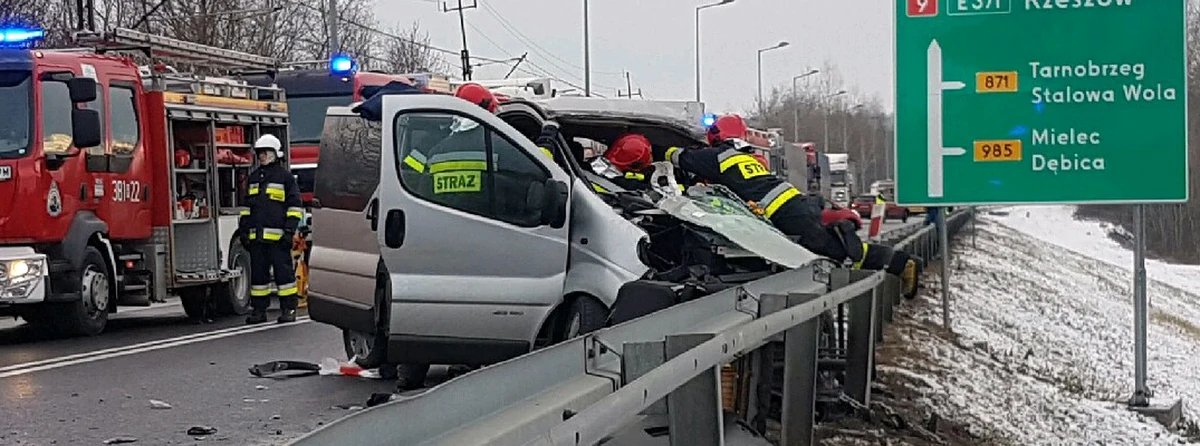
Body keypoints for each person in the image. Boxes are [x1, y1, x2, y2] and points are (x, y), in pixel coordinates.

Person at [639, 114, 921, 291]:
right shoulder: (747, 156)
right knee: (822, 251)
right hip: (793, 204)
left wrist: (654, 146)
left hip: (785, 212)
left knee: (832, 252)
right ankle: (887, 260)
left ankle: (900, 262)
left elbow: (680, 157)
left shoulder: (718, 157)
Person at [236, 134, 304, 324]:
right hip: (257, 238)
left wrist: (289, 232)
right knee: (259, 277)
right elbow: (247, 208)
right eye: (259, 153)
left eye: (265, 152)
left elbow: (295, 207)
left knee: (284, 277)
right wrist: (243, 231)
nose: (262, 156)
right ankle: (259, 311)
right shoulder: (254, 178)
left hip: (279, 239)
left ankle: (289, 309)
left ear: (275, 153)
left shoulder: (285, 178)